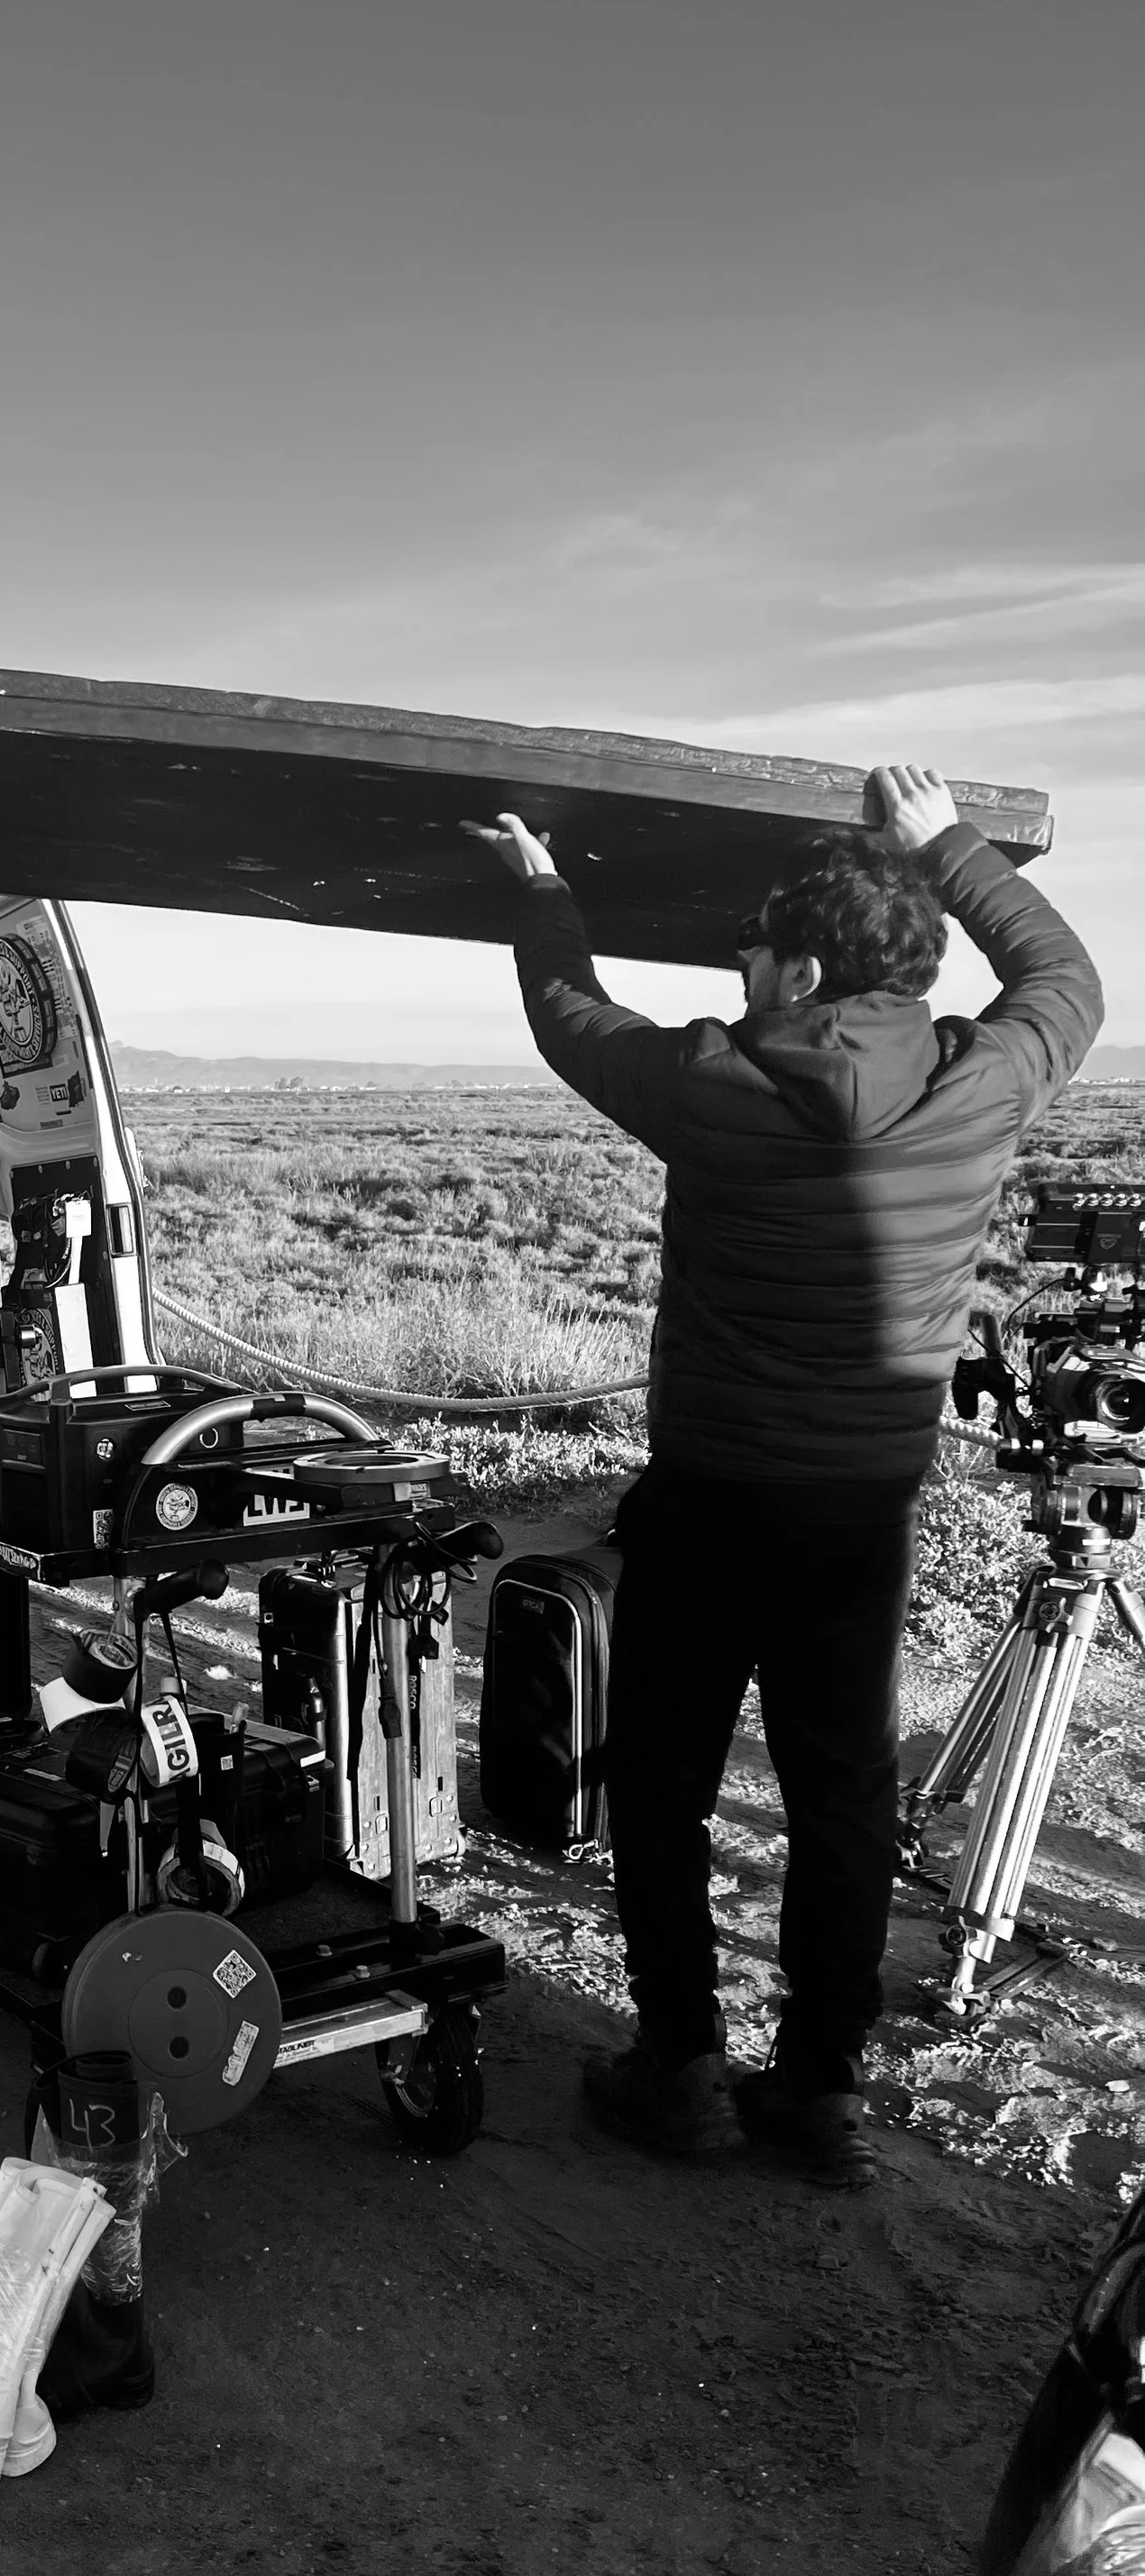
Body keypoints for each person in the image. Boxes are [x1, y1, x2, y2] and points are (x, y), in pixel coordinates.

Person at [466, 764, 1102, 2185]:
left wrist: (544, 887)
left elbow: (569, 1014)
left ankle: (680, 2065)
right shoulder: (984, 1080)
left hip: (707, 1504)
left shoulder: (716, 1085)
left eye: (750, 952)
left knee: (662, 1783)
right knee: (840, 1801)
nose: (739, 973)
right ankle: (818, 2092)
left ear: (802, 968)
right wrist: (951, 847)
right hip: (860, 1516)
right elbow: (1064, 977)